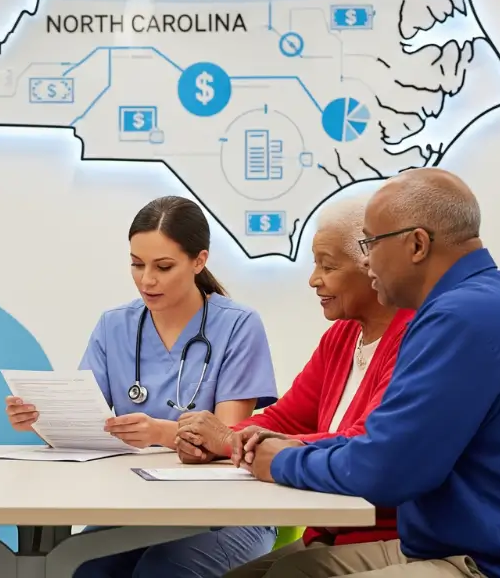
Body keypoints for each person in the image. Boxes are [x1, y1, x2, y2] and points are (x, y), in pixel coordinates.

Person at [228, 168, 500, 578]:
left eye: (371, 243)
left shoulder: (461, 318)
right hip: (463, 544)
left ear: (417, 244)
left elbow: (386, 470)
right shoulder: (475, 304)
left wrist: (283, 461)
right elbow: (385, 447)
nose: (368, 259)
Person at [5, 195, 280, 578]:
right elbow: (86, 423)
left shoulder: (238, 326)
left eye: (163, 267)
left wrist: (158, 432)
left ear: (199, 261)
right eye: (137, 264)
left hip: (225, 510)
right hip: (136, 504)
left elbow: (227, 439)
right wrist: (39, 420)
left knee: (163, 572)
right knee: (80, 568)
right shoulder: (114, 325)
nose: (146, 280)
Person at [173, 197, 414, 551]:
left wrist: (228, 442)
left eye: (328, 267)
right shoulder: (342, 337)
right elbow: (285, 418)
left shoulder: (413, 339)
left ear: (371, 265)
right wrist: (212, 442)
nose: (314, 280)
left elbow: (361, 442)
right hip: (329, 535)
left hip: (379, 536)